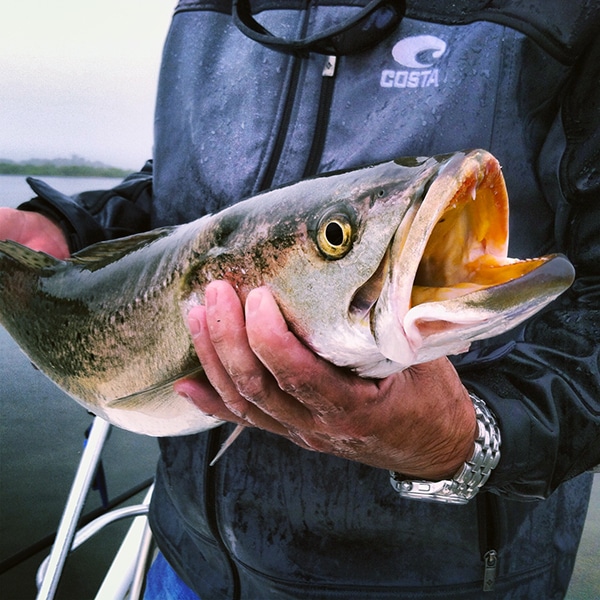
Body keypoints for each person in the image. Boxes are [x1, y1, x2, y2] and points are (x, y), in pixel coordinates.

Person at [2, 0, 599, 597]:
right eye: (339, 236)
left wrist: (466, 436)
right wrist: (69, 231)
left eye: (335, 236)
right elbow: (191, 199)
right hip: (186, 558)